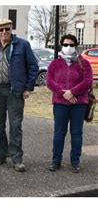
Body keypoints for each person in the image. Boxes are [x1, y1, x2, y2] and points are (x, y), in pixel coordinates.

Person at [0, 18, 38, 172]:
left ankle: (17, 158)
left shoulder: (22, 45)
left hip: (15, 91)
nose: (4, 32)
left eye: (7, 29)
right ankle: (0, 155)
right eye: (1, 29)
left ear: (11, 29)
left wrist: (28, 88)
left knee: (15, 125)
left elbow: (33, 67)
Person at [46, 34, 93, 173]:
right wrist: (63, 93)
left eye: (72, 45)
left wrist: (73, 92)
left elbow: (88, 81)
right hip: (60, 103)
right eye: (66, 44)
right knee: (59, 132)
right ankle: (56, 161)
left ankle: (75, 162)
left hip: (79, 104)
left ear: (76, 46)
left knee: (77, 133)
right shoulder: (55, 63)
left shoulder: (84, 63)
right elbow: (49, 81)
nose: (68, 47)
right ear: (61, 45)